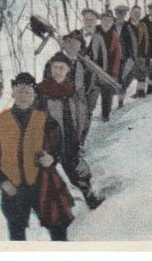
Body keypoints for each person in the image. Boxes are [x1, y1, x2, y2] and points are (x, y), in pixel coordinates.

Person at [0, 72, 68, 240]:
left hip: (41, 185)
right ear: (13, 92)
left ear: (34, 95)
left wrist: (52, 158)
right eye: (20, 91)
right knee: (17, 237)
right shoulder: (0, 122)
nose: (23, 95)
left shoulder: (44, 119)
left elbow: (59, 144)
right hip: (13, 190)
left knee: (58, 231)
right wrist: (2, 181)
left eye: (28, 91)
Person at [39, 50, 104, 211]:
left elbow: (80, 116)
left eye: (62, 67)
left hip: (69, 141)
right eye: (55, 67)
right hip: (48, 143)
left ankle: (90, 198)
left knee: (80, 172)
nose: (58, 71)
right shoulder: (41, 92)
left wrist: (79, 137)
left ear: (68, 70)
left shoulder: (72, 91)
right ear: (50, 69)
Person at [70, 9, 108, 133]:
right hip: (77, 81)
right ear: (83, 20)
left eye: (92, 20)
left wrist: (100, 80)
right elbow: (66, 56)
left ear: (96, 21)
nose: (89, 22)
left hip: (93, 82)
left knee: (88, 112)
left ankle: (81, 142)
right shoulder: (74, 35)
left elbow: (104, 61)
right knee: (78, 111)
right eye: (87, 19)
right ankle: (75, 142)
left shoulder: (99, 38)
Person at [96, 10, 121, 122]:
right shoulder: (94, 32)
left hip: (108, 70)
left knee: (107, 92)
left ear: (112, 22)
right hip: (93, 68)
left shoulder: (114, 34)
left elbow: (117, 53)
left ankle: (105, 115)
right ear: (100, 21)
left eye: (109, 20)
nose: (106, 22)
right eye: (104, 20)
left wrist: (114, 71)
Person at [113, 4, 138, 108]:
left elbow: (133, 43)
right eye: (119, 13)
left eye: (123, 14)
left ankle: (120, 102)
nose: (121, 16)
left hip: (125, 58)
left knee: (123, 80)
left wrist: (133, 57)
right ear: (115, 14)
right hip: (112, 59)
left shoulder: (128, 27)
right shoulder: (111, 26)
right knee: (113, 80)